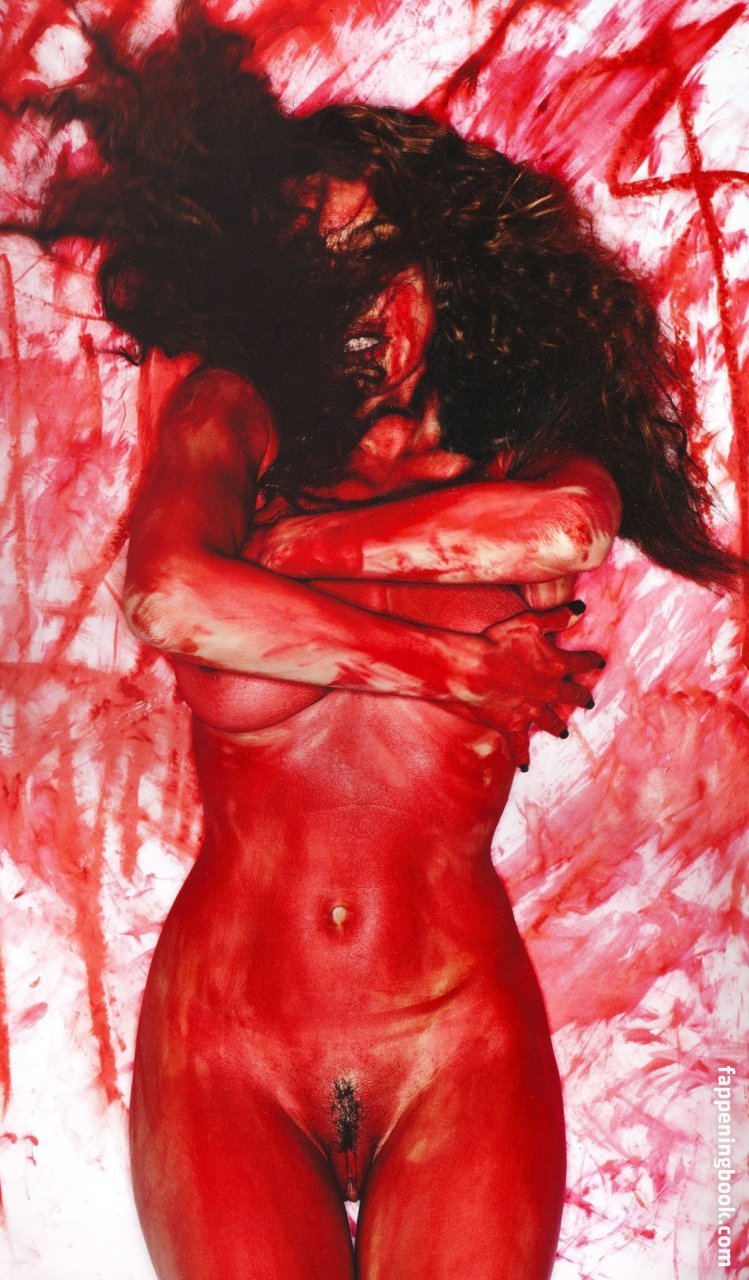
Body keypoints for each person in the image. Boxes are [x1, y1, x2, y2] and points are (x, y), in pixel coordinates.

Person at [15, 7, 738, 1278]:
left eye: (382, 253)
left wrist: (298, 550)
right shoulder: (228, 422)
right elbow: (171, 594)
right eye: (321, 264)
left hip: (456, 1043)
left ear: (446, 271)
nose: (367, 299)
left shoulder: (520, 458)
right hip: (227, 1046)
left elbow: (569, 524)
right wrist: (451, 665)